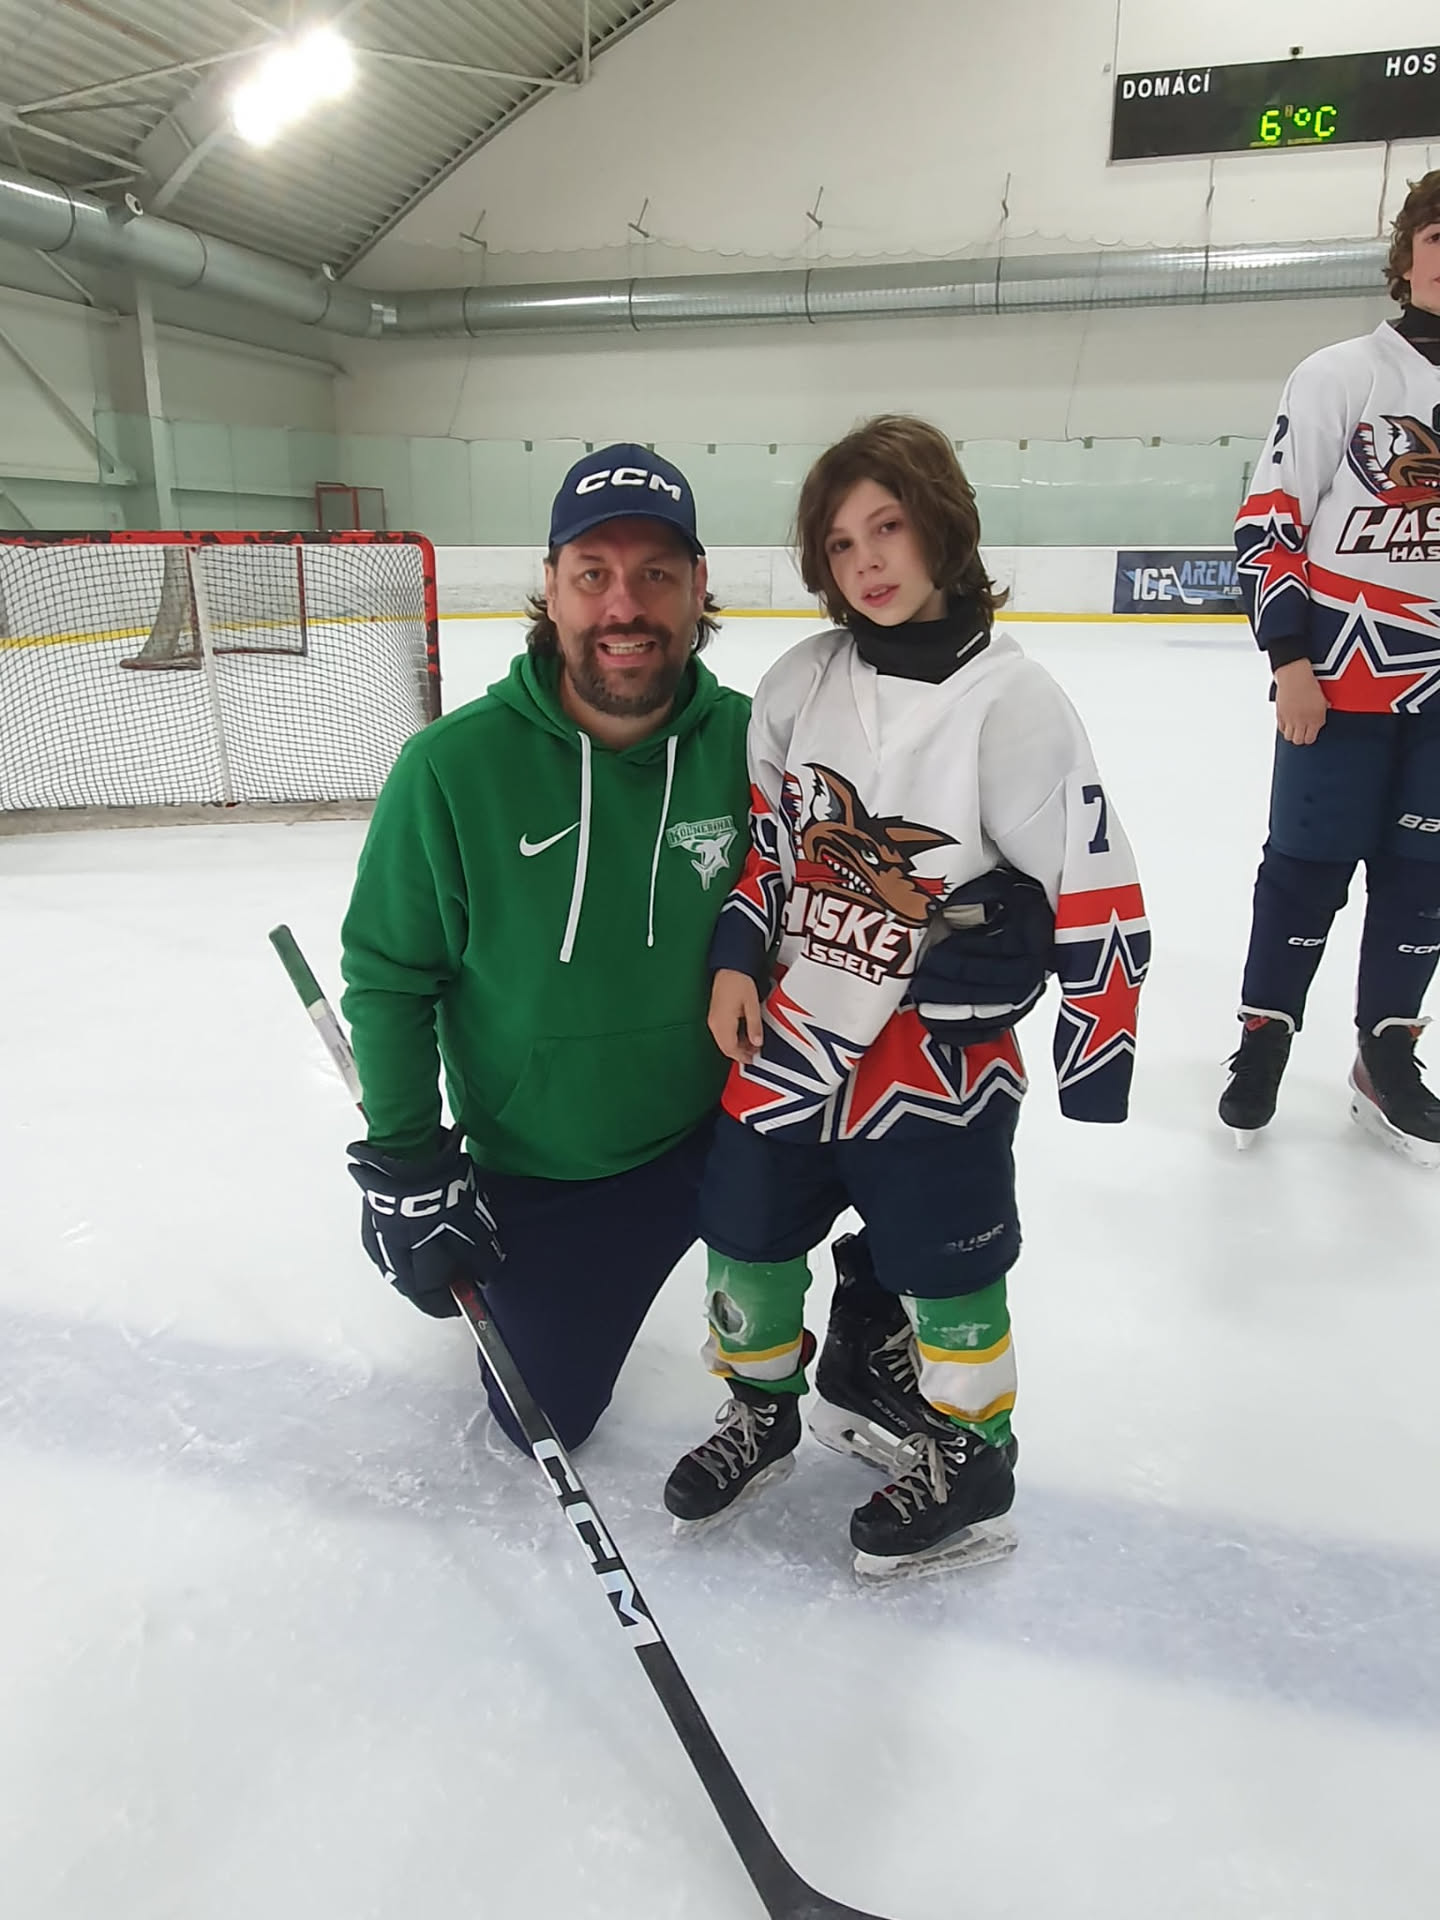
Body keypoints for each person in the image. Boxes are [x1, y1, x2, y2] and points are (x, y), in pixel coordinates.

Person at [660, 415, 1150, 1577]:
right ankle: (759, 1411)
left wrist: (1087, 1039)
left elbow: (1095, 884)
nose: (866, 561)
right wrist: (734, 955)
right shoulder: (801, 683)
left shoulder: (1014, 703)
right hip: (793, 1032)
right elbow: (770, 854)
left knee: (950, 1263)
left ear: (942, 525)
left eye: (887, 527)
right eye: (840, 543)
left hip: (934, 1057)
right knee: (745, 1235)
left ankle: (972, 1455)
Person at [338, 446, 753, 1450]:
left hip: (738, 1127)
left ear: (699, 587)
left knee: (914, 1147)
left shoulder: (758, 745)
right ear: (552, 589)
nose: (625, 605)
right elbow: (391, 979)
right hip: (556, 1170)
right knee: (542, 1418)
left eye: (657, 573)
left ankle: (876, 1314)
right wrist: (408, 1160)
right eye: (593, 574)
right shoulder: (451, 768)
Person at [1223, 171, 1440, 1167]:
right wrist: (1290, 660)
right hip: (1343, 680)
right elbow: (1269, 525)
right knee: (1305, 871)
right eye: (1437, 237)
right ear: (1405, 255)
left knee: (1424, 878)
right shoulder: (1340, 374)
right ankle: (1265, 1038)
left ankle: (1384, 1056)